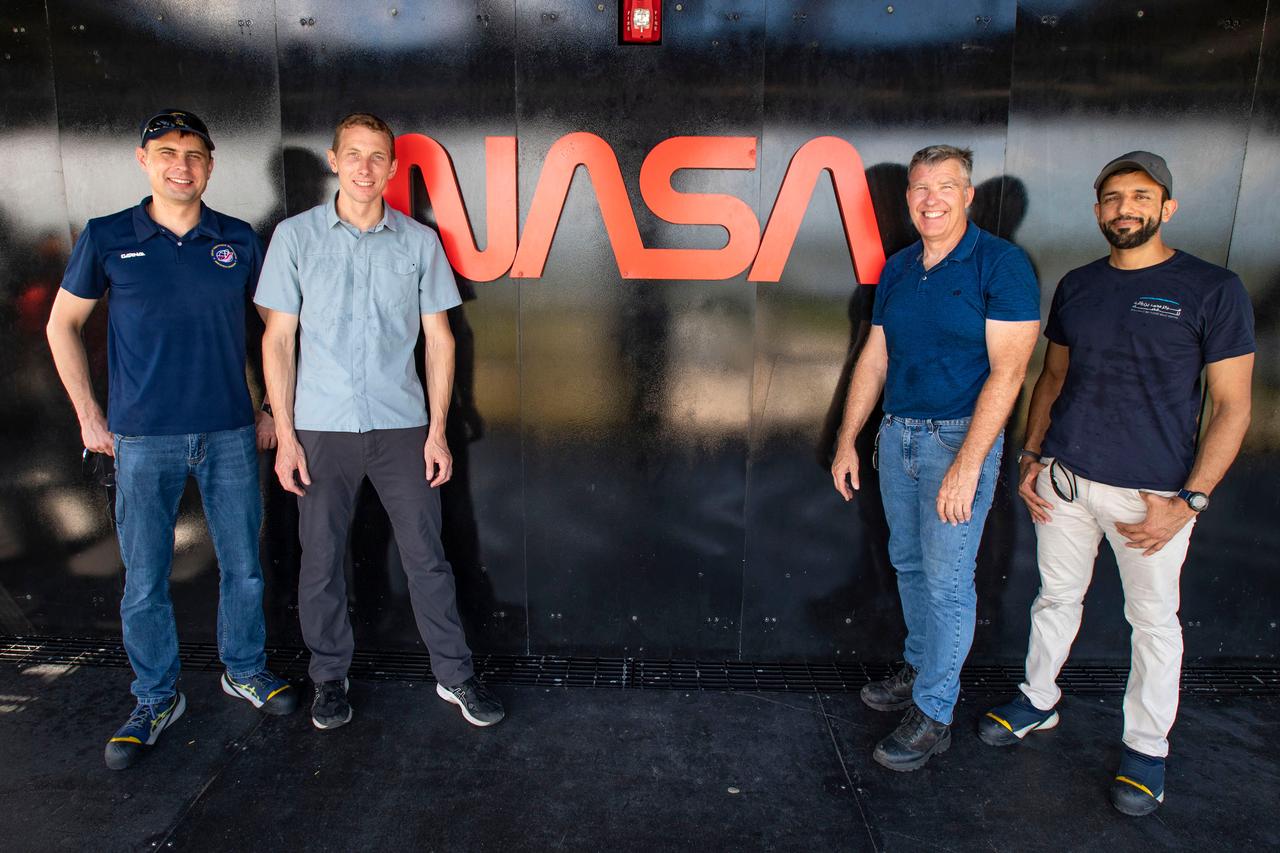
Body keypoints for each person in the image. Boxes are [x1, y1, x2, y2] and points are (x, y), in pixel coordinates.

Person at [978, 152, 1254, 816]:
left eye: (1139, 196)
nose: (1123, 208)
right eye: (1111, 197)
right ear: (1097, 209)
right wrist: (1032, 455)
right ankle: (1038, 699)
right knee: (1055, 599)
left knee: (1153, 623)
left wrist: (1189, 502)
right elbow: (1052, 377)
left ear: (1167, 207)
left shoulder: (1213, 289)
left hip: (1153, 499)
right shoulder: (1079, 283)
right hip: (1065, 482)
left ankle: (1146, 746)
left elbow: (1233, 407)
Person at [46, 109, 297, 771]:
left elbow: (277, 330)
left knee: (244, 567)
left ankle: (243, 668)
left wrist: (272, 406)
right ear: (143, 159)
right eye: (167, 152)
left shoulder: (238, 239)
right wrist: (88, 416)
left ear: (210, 165)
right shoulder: (106, 237)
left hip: (231, 433)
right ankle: (156, 697)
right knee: (145, 580)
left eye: (193, 153)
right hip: (141, 440)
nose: (180, 165)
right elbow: (61, 325)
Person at [257, 112, 504, 731]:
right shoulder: (295, 237)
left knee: (428, 557)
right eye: (354, 154)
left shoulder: (419, 242)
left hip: (401, 427)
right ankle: (329, 679)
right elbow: (278, 341)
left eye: (377, 157)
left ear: (393, 169)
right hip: (320, 428)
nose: (365, 167)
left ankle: (455, 676)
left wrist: (438, 429)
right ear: (334, 160)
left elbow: (441, 340)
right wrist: (285, 435)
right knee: (320, 562)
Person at [831, 145, 1040, 771]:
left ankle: (935, 713)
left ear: (968, 195)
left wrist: (970, 462)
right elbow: (875, 358)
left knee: (948, 582)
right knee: (910, 564)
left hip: (958, 439)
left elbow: (1009, 373)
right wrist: (849, 438)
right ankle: (919, 667)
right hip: (896, 437)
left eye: (945, 186)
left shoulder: (1001, 266)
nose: (931, 199)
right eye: (920, 188)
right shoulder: (897, 269)